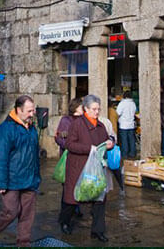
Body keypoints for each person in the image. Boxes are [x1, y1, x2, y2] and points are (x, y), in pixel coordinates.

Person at [0, 95, 40, 247]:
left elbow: (34, 154)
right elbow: (0, 157)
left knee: (27, 215)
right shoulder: (6, 129)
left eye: (33, 110)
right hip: (12, 179)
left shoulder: (31, 128)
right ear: (18, 110)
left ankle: (24, 243)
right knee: (10, 212)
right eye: (29, 111)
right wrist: (1, 182)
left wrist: (36, 176)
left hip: (30, 178)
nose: (32, 114)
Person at [60, 94, 114, 242]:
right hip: (78, 167)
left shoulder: (101, 125)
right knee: (72, 199)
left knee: (99, 200)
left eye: (98, 109)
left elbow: (106, 140)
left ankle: (98, 231)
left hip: (95, 169)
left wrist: (110, 144)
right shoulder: (77, 124)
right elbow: (70, 145)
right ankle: (64, 222)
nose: (97, 112)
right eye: (94, 109)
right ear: (86, 109)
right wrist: (88, 148)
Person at [55, 98, 84, 224]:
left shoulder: (84, 120)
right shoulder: (66, 120)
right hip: (69, 157)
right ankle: (65, 215)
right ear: (76, 107)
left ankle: (76, 208)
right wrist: (69, 145)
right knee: (68, 187)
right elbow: (59, 137)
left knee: (79, 184)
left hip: (81, 157)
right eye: (81, 105)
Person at [116, 90, 137, 158]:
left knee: (124, 140)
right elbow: (134, 112)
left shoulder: (122, 103)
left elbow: (118, 113)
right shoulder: (133, 103)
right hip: (131, 124)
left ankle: (125, 154)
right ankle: (132, 153)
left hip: (123, 125)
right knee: (132, 140)